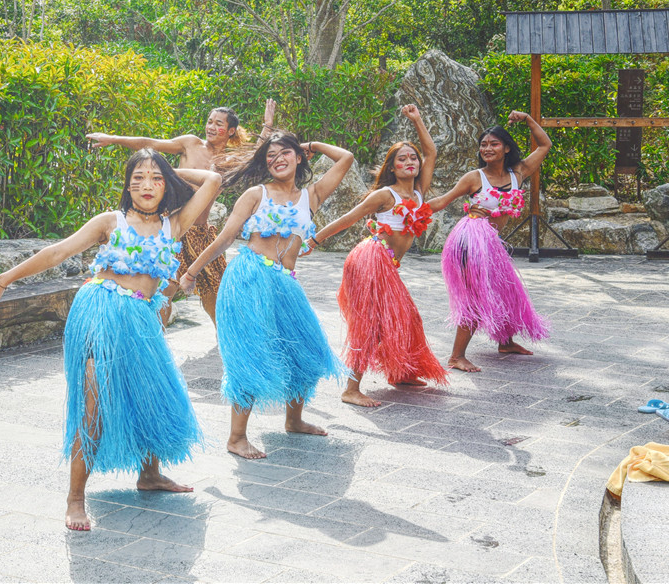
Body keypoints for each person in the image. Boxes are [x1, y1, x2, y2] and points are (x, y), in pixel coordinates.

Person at [0, 150, 222, 531]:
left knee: (149, 394)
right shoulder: (110, 221)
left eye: (155, 179)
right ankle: (75, 498)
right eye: (138, 177)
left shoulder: (173, 224)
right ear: (127, 184)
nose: (147, 185)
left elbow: (213, 181)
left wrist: (166, 169)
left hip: (142, 319)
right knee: (93, 399)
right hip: (102, 312)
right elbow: (58, 251)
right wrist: (4, 279)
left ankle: (149, 474)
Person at [181, 131, 353, 459]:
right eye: (270, 156)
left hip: (285, 281)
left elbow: (345, 158)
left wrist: (310, 145)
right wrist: (192, 272)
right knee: (251, 353)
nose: (277, 160)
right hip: (248, 276)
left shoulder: (311, 195)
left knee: (304, 349)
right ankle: (236, 437)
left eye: (284, 153)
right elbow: (225, 239)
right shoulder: (255, 194)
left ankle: (294, 420)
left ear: (299, 157)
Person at [85, 100, 277, 324]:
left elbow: (257, 154)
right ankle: (158, 339)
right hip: (173, 228)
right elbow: (151, 143)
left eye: (218, 124)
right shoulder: (191, 144)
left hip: (201, 234)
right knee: (167, 289)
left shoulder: (228, 161)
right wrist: (114, 139)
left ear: (230, 130)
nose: (211, 127)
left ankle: (225, 342)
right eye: (209, 122)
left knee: (216, 291)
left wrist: (268, 125)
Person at [311, 105, 448, 407]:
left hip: (389, 264)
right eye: (403, 158)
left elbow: (432, 152)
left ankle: (401, 372)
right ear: (393, 168)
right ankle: (351, 388)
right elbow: (349, 218)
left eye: (413, 157)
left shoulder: (419, 193)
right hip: (371, 259)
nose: (410, 161)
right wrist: (315, 239)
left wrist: (417, 119)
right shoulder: (386, 195)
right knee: (371, 323)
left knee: (407, 317)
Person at [426, 111, 553, 372]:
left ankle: (505, 342)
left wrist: (528, 119)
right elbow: (442, 201)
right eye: (483, 144)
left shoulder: (518, 172)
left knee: (507, 290)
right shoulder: (474, 178)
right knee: (474, 295)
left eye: (494, 143)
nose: (487, 148)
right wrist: (404, 208)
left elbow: (545, 145)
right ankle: (456, 356)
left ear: (506, 148)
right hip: (469, 240)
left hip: (492, 243)